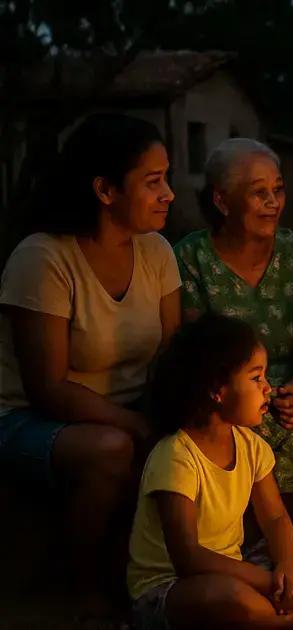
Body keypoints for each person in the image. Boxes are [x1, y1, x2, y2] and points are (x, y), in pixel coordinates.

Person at [0, 113, 180, 612]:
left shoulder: (158, 252)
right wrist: (139, 425)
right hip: (28, 419)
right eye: (152, 181)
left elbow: (173, 353)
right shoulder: (43, 259)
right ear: (105, 190)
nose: (167, 193)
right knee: (111, 448)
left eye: (166, 178)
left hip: (128, 410)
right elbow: (48, 387)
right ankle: (85, 591)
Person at [128, 313, 293, 629]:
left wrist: (289, 567)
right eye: (256, 378)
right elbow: (188, 558)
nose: (268, 388)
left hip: (237, 567)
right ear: (217, 390)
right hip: (175, 587)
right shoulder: (175, 457)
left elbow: (275, 518)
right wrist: (268, 582)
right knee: (228, 597)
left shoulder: (251, 446)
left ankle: (276, 605)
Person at [175, 138, 293, 526]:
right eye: (260, 193)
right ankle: (240, 542)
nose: (274, 202)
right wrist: (244, 391)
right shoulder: (191, 258)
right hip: (225, 391)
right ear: (222, 202)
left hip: (287, 387)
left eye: (278, 190)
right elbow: (195, 353)